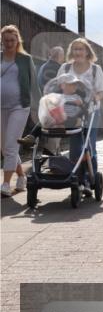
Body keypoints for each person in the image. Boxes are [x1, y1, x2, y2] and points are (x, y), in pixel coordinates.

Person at [57, 38, 103, 192]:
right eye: (75, 49)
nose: (78, 52)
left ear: (87, 52)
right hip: (71, 112)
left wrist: (93, 99)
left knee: (88, 145)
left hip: (90, 111)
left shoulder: (96, 69)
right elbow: (57, 87)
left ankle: (91, 179)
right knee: (75, 146)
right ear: (71, 51)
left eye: (81, 49)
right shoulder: (65, 68)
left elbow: (101, 91)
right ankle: (78, 179)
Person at [1, 25, 38, 197]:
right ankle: (22, 176)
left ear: (17, 40)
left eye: (12, 40)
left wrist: (39, 106)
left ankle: (6, 184)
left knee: (10, 145)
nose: (9, 43)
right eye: (6, 40)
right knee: (4, 147)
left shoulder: (25, 59)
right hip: (1, 106)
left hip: (19, 106)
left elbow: (33, 83)